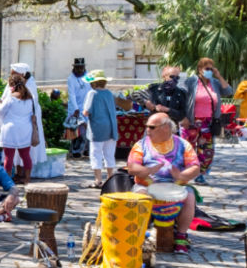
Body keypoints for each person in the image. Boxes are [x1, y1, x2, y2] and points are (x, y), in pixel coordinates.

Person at [127, 112, 199, 254]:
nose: (147, 130)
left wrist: (181, 175)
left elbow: (195, 167)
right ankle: (141, 235)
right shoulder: (141, 145)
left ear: (166, 127)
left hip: (176, 186)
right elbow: (131, 168)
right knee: (140, 195)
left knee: (190, 196)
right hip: (146, 185)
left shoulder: (183, 145)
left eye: (152, 127)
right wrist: (147, 170)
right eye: (147, 126)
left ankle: (181, 236)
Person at [180, 57, 231, 182]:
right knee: (188, 149)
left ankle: (200, 174)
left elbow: (229, 91)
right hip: (191, 121)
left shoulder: (214, 83)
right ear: (199, 69)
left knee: (207, 150)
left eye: (211, 69)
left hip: (208, 122)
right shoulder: (191, 81)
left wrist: (218, 76)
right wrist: (183, 117)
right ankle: (185, 174)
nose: (209, 71)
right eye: (207, 68)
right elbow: (181, 97)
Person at [0, 72, 37, 185]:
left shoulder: (10, 98)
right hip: (25, 130)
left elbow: (0, 111)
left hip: (10, 130)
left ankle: (7, 181)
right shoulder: (30, 98)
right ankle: (27, 179)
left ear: (12, 86)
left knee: (9, 157)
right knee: (26, 155)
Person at [7, 63, 47, 173]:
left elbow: (31, 102)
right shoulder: (12, 83)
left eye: (14, 73)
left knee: (25, 147)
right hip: (16, 118)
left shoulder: (30, 84)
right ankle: (18, 172)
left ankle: (24, 174)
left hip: (27, 119)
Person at [81, 70, 119, 188]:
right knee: (109, 154)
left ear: (94, 83)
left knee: (96, 154)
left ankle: (98, 180)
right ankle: (110, 179)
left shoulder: (92, 93)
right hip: (111, 127)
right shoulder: (109, 93)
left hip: (97, 128)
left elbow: (86, 112)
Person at [65, 58, 90, 158]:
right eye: (78, 67)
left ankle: (86, 150)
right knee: (78, 131)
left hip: (87, 106)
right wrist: (75, 108)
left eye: (81, 67)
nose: (80, 69)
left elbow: (91, 89)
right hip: (75, 108)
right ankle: (76, 150)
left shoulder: (88, 77)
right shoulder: (71, 79)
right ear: (74, 67)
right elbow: (72, 95)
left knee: (88, 130)